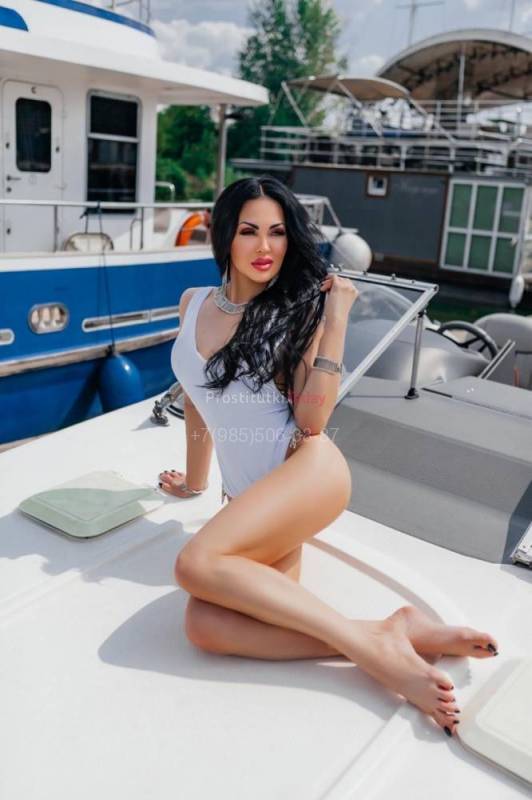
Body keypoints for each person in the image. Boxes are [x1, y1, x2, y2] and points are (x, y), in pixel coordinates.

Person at [159, 175, 498, 738]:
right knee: (204, 626)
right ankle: (388, 632)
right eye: (249, 231)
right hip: (252, 506)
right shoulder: (193, 303)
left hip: (306, 473)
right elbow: (197, 399)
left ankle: (379, 656)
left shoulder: (294, 312)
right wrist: (196, 483)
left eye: (277, 233)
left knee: (192, 566)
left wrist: (335, 318)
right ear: (225, 236)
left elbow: (312, 420)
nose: (264, 247)